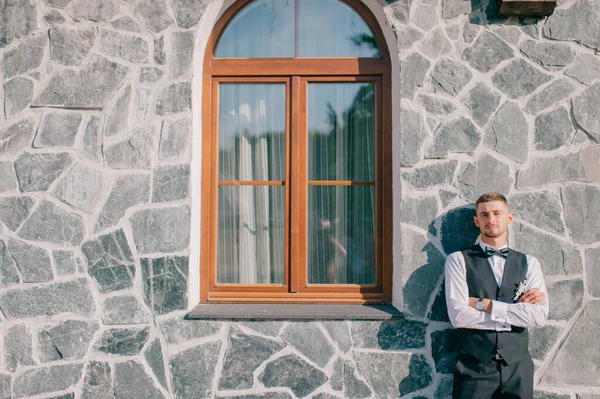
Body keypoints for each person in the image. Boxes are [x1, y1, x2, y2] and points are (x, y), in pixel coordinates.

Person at [444, 192, 549, 399]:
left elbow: (538, 317)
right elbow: (459, 316)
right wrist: (516, 312)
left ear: (509, 217)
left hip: (518, 368)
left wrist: (484, 304)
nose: (490, 219)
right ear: (477, 221)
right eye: (484, 215)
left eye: (496, 213)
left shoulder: (530, 263)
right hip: (474, 367)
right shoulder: (458, 261)